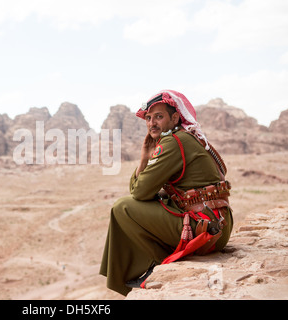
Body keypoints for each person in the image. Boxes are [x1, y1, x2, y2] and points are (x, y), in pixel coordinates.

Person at [99, 90, 233, 296]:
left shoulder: (173, 142)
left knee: (122, 208)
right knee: (156, 199)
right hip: (217, 225)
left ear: (175, 118)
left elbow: (139, 192)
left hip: (206, 230)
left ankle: (154, 266)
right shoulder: (187, 137)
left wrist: (144, 159)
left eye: (159, 117)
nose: (152, 123)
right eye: (149, 118)